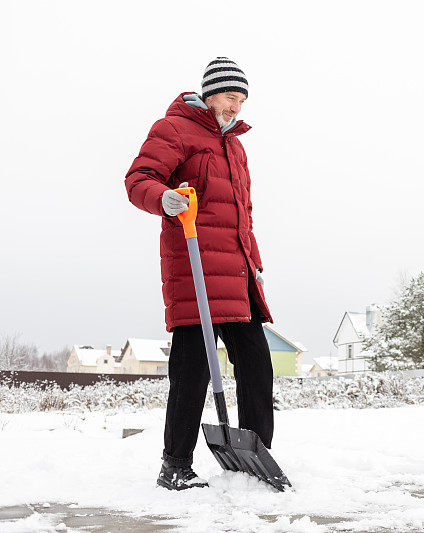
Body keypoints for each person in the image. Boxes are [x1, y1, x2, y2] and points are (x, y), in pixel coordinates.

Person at [125, 57, 275, 490]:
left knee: (256, 365)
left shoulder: (237, 146)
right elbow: (138, 178)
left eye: (242, 100)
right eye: (231, 97)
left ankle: (256, 457)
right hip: (194, 271)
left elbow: (242, 217)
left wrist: (256, 265)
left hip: (237, 274)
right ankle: (175, 465)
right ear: (210, 94)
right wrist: (164, 197)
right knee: (191, 374)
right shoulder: (174, 129)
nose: (236, 107)